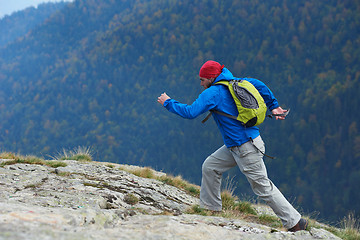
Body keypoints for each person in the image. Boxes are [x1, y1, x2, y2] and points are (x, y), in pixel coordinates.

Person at [157, 60, 308, 232]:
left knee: (262, 187)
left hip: (245, 148)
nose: (200, 83)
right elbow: (260, 84)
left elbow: (190, 112)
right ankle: (211, 209)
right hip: (239, 145)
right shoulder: (238, 82)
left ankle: (295, 223)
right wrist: (273, 105)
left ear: (212, 77)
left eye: (202, 79)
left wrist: (168, 102)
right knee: (210, 166)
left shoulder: (214, 92)